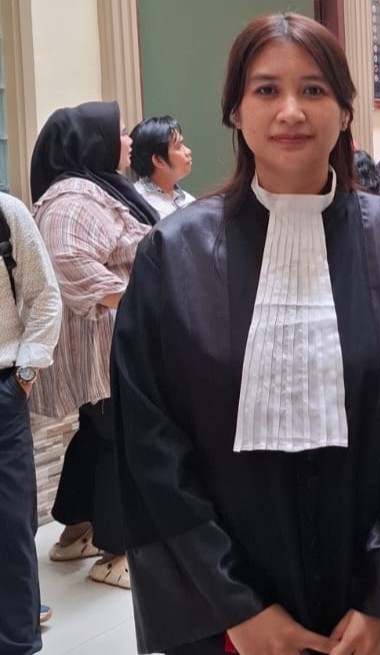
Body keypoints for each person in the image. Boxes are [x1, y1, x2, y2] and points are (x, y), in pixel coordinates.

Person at [111, 13, 380, 655]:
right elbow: (151, 442)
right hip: (228, 617)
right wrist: (235, 607)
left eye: (314, 90)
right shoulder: (174, 256)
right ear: (235, 111)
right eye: (267, 89)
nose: (291, 111)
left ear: (346, 111)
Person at [29, 101, 158, 590]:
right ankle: (116, 552)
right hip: (103, 345)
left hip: (103, 343)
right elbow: (68, 262)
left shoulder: (92, 188)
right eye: (120, 132)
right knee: (119, 439)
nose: (128, 140)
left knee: (97, 433)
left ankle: (76, 531)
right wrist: (134, 296)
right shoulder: (74, 197)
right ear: (93, 142)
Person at [0, 191, 62, 655]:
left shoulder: (6, 212)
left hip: (3, 388)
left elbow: (44, 295)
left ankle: (18, 641)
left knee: (11, 524)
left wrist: (25, 374)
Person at [130, 115, 195, 218]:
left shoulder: (189, 201)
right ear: (158, 160)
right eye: (178, 146)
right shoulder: (136, 204)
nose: (188, 151)